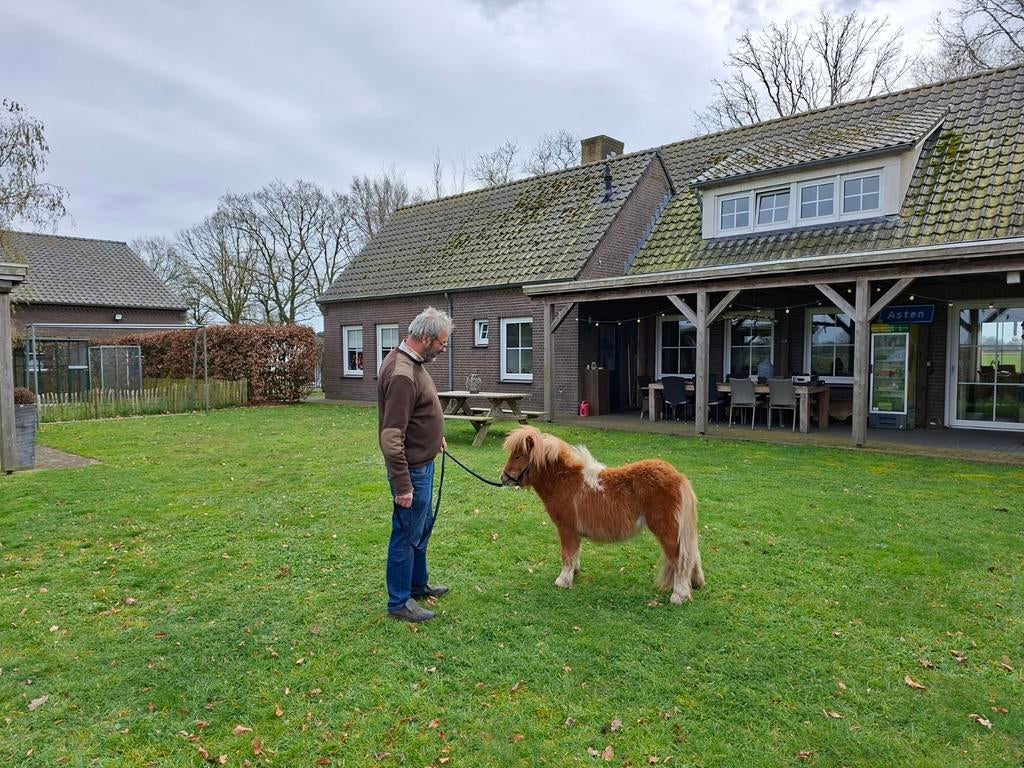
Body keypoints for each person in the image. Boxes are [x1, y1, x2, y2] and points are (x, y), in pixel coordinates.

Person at [377, 306, 453, 622]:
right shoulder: (402, 374)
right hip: (412, 471)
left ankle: (418, 585)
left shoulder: (412, 361)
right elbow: (391, 436)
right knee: (406, 535)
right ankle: (399, 602)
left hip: (424, 462)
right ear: (425, 338)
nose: (444, 348)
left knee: (419, 530)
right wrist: (403, 484)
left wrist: (435, 438)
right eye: (442, 342)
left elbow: (417, 415)